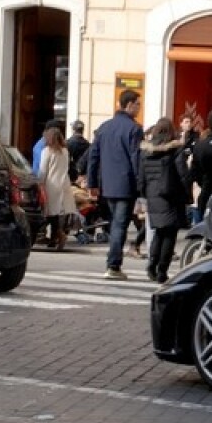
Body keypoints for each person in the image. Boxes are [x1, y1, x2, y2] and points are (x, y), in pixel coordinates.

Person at [85, 89, 144, 280]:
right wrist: (140, 185)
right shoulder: (134, 129)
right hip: (126, 185)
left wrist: (92, 182)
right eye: (137, 104)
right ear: (129, 105)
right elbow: (136, 159)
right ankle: (113, 265)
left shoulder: (104, 127)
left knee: (114, 224)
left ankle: (113, 259)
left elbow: (93, 157)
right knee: (119, 225)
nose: (139, 108)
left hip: (107, 184)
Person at [136, 117, 190, 283]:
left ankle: (152, 264)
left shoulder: (146, 151)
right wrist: (187, 194)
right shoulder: (175, 150)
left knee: (159, 232)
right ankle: (162, 270)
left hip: (153, 196)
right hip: (171, 196)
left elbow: (141, 178)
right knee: (169, 234)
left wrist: (145, 194)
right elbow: (183, 175)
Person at [38, 126, 78, 251]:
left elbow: (43, 171)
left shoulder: (47, 151)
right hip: (64, 183)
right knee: (56, 214)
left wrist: (39, 184)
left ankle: (60, 235)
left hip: (51, 185)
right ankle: (54, 238)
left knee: (49, 214)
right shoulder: (65, 151)